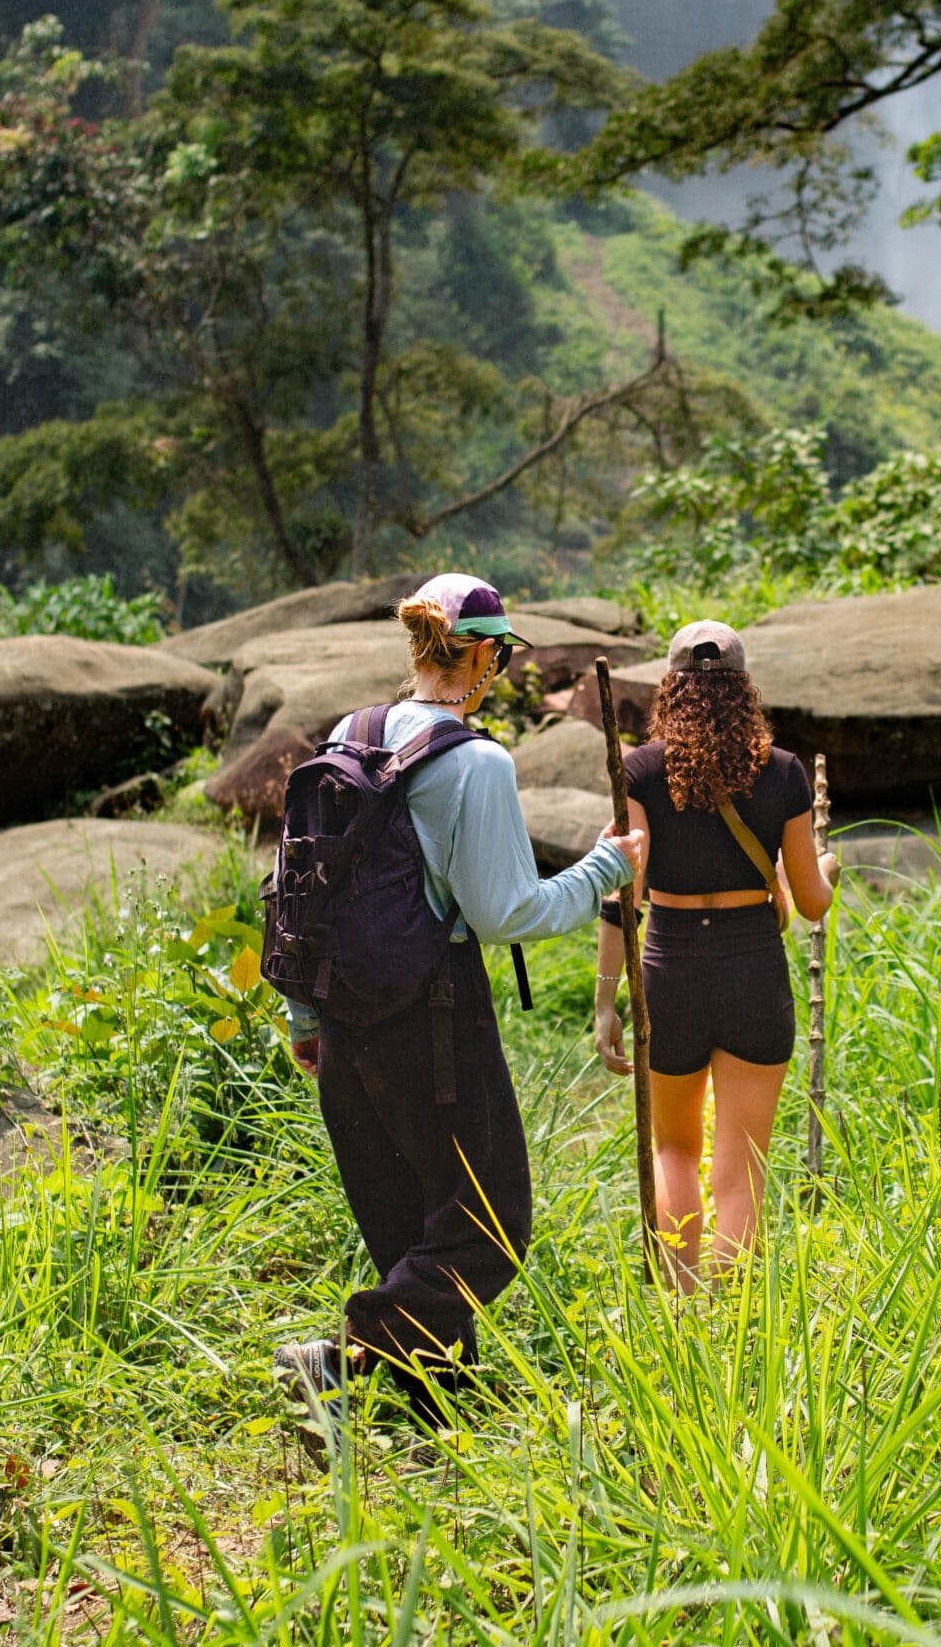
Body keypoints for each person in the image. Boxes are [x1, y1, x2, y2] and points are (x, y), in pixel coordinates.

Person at [273, 572, 644, 1435]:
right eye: (500, 657)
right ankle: (342, 1357)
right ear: (479, 656)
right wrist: (607, 868)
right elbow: (505, 913)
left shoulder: (350, 734)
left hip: (342, 1013)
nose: (500, 671)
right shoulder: (476, 762)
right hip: (432, 1017)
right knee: (489, 1222)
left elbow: (302, 886)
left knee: (409, 1220)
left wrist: (306, 1018)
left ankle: (436, 1406)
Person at [595, 619, 838, 1289]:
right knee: (743, 1162)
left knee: (673, 1148)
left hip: (669, 970)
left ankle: (682, 1309)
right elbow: (811, 903)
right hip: (753, 970)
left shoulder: (639, 772)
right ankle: (732, 1318)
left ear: (671, 687)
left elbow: (620, 894)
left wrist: (606, 999)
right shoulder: (783, 772)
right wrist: (827, 866)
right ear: (743, 689)